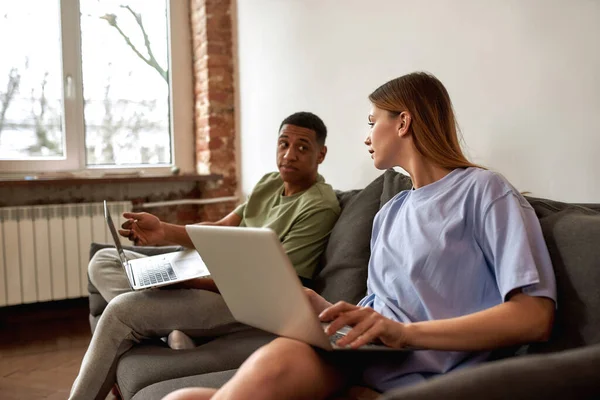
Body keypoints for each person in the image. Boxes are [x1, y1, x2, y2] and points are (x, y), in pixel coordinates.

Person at [162, 72, 557, 400]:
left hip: (419, 375)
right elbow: (381, 307)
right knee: (178, 399)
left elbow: (534, 316)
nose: (367, 137)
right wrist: (318, 305)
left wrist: (404, 335)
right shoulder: (391, 211)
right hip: (359, 359)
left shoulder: (484, 191)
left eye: (373, 122)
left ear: (402, 122)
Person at [69, 111, 341, 400]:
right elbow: (222, 229)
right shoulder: (269, 183)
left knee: (120, 312)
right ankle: (169, 327)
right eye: (283, 144)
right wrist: (163, 231)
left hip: (243, 301)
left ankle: (160, 324)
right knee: (104, 260)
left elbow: (277, 289)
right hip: (213, 274)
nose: (289, 154)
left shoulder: (319, 206)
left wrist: (193, 282)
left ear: (321, 154)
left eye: (302, 147)